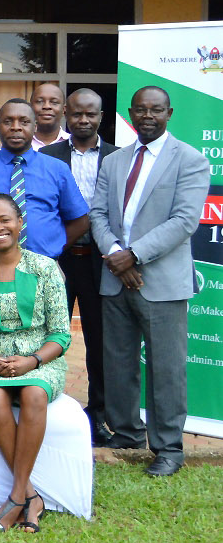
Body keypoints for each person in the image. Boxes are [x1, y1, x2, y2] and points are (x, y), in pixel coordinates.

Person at [89, 86, 210, 477]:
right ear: (129, 112)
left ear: (169, 113)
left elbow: (184, 221)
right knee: (118, 362)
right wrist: (116, 256)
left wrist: (134, 255)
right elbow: (97, 215)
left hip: (161, 281)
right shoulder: (115, 161)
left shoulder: (190, 160)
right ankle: (126, 435)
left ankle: (169, 447)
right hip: (116, 278)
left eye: (155, 110)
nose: (147, 116)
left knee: (166, 367)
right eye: (140, 110)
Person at [0, 194, 71, 533]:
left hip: (40, 357)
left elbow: (62, 334)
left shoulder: (45, 268)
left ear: (20, 223)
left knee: (36, 394)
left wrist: (32, 361)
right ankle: (30, 497)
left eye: (4, 219)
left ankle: (16, 498)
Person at [40, 88, 118, 446]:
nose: (83, 120)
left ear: (101, 116)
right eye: (77, 114)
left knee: (101, 341)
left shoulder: (119, 158)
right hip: (59, 260)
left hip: (103, 263)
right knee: (46, 335)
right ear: (65, 116)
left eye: (91, 114)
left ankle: (99, 415)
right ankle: (44, 408)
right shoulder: (48, 155)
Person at [0, 99, 89, 262]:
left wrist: (53, 250)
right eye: (8, 122)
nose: (16, 127)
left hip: (43, 267)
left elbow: (80, 222)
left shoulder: (57, 169)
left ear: (35, 127)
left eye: (24, 122)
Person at [30, 83, 69, 150]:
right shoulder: (19, 143)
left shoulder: (73, 143)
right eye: (40, 101)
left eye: (54, 102)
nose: (47, 106)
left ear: (63, 110)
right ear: (30, 107)